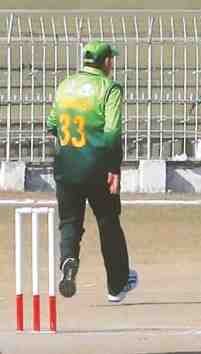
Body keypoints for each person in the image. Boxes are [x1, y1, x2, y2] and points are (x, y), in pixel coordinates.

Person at [47, 40, 138, 302]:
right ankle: (117, 285)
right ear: (107, 62)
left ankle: (69, 262)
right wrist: (114, 168)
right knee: (108, 221)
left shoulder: (65, 85)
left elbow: (52, 124)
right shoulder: (109, 88)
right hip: (98, 166)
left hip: (66, 165)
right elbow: (112, 133)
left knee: (69, 222)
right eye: (112, 59)